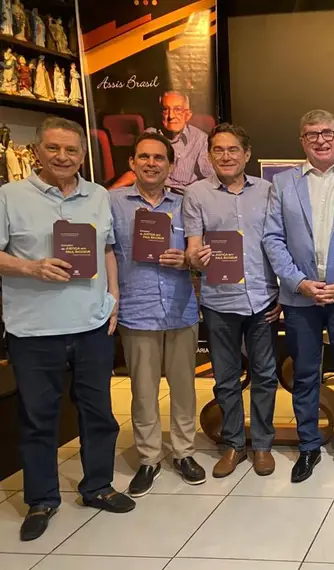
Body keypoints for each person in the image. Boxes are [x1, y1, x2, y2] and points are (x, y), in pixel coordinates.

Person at [0, 117, 135, 542]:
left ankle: (97, 485)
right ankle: (41, 498)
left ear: (82, 154)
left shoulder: (98, 196)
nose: (63, 157)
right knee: (39, 417)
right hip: (33, 329)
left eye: (71, 150)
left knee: (99, 414)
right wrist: (30, 266)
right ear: (37, 150)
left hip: (92, 325)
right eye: (54, 148)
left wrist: (113, 297)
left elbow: (108, 249)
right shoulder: (9, 196)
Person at [263, 109, 334, 483]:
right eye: (312, 133)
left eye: (328, 132)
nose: (321, 139)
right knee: (305, 375)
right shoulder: (282, 184)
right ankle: (309, 446)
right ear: (302, 141)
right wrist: (298, 282)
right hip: (302, 299)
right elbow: (272, 238)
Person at [184, 123, 281, 479]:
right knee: (225, 377)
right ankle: (233, 445)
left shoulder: (269, 191)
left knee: (266, 375)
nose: (226, 156)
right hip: (219, 301)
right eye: (218, 150)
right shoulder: (195, 194)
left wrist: (283, 292)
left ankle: (263, 445)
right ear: (209, 155)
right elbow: (192, 248)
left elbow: (278, 245)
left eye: (233, 150)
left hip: (263, 299)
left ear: (247, 154)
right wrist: (196, 258)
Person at [111, 132, 205, 497]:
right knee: (143, 391)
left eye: (159, 158)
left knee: (184, 389)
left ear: (171, 165)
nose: (151, 163)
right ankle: (149, 457)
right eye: (144, 157)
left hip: (181, 310)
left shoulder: (186, 204)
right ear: (132, 163)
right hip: (137, 311)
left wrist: (187, 261)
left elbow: (201, 258)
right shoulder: (113, 203)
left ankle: (183, 452)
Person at [110, 91, 215, 192]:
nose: (171, 116)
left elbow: (210, 179)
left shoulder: (201, 140)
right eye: (166, 110)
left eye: (177, 109)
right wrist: (108, 193)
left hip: (184, 199)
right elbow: (133, 174)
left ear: (188, 115)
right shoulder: (148, 136)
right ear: (160, 114)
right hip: (151, 195)